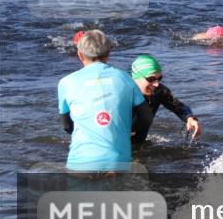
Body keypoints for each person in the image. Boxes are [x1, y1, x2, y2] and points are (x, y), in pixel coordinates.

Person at [58, 30, 153, 172]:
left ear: (80, 55)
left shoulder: (66, 83)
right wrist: (127, 130)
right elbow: (146, 117)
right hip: (117, 163)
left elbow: (66, 126)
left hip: (80, 163)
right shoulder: (124, 78)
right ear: (108, 54)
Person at [130, 55, 202, 139]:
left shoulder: (158, 91)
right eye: (151, 79)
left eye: (159, 78)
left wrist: (190, 118)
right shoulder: (122, 95)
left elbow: (178, 106)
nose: (156, 84)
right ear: (136, 77)